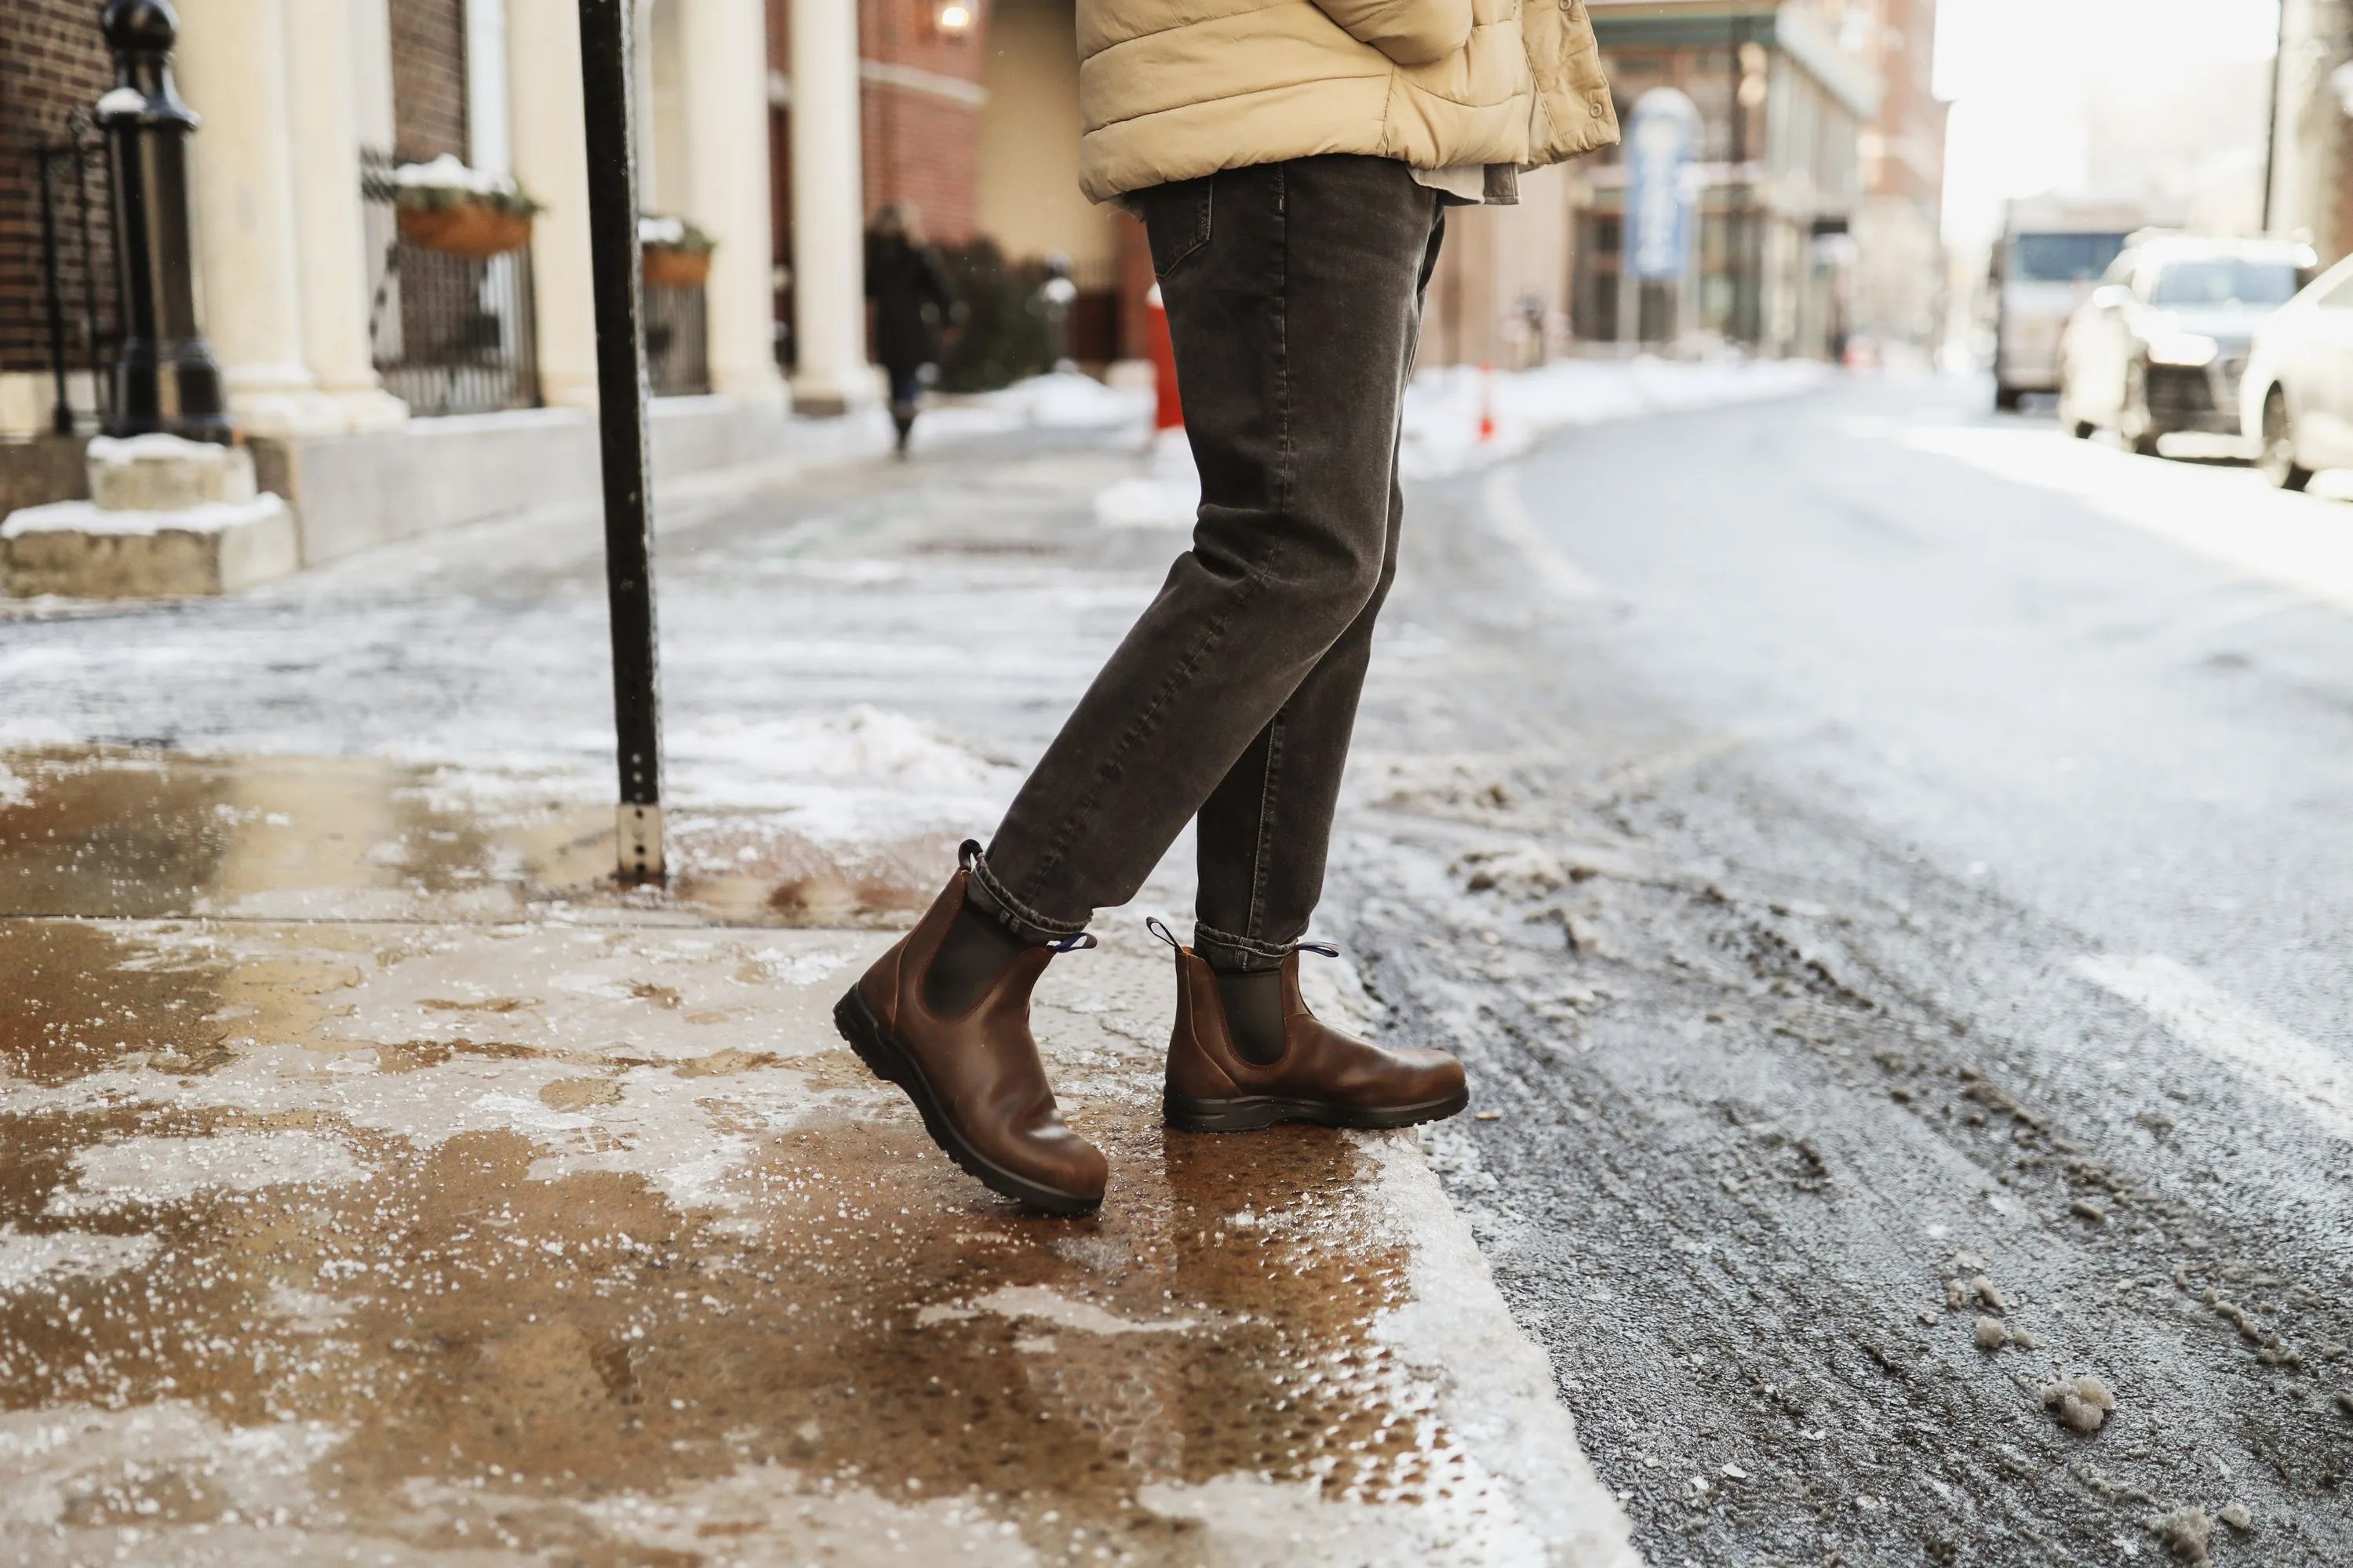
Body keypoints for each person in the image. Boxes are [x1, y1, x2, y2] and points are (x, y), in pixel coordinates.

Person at [835, 0, 1621, 1213]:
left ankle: (1247, 1019)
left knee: (1335, 560)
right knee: (1292, 551)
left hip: (1349, 116)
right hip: (1292, 110)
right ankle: (959, 973)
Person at [865, 205, 956, 457]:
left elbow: (937, 288)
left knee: (902, 380)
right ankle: (902, 431)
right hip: (895, 326)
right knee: (900, 381)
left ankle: (902, 432)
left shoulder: (911, 254)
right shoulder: (890, 254)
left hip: (904, 326)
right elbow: (870, 287)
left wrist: (947, 316)